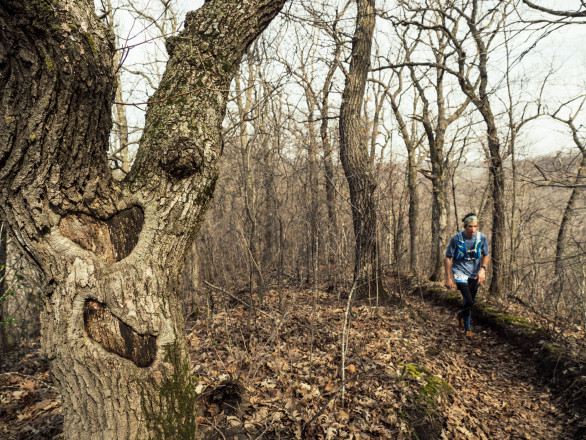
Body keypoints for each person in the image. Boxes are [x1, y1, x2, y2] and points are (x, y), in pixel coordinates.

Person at [444, 213, 490, 339]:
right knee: (468, 300)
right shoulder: (456, 239)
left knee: (470, 301)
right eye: (470, 226)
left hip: (475, 273)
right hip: (459, 272)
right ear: (465, 226)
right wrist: (448, 278)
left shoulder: (482, 238)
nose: (473, 229)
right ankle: (468, 328)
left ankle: (461, 315)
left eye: (475, 226)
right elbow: (448, 257)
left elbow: (486, 254)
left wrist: (483, 269)